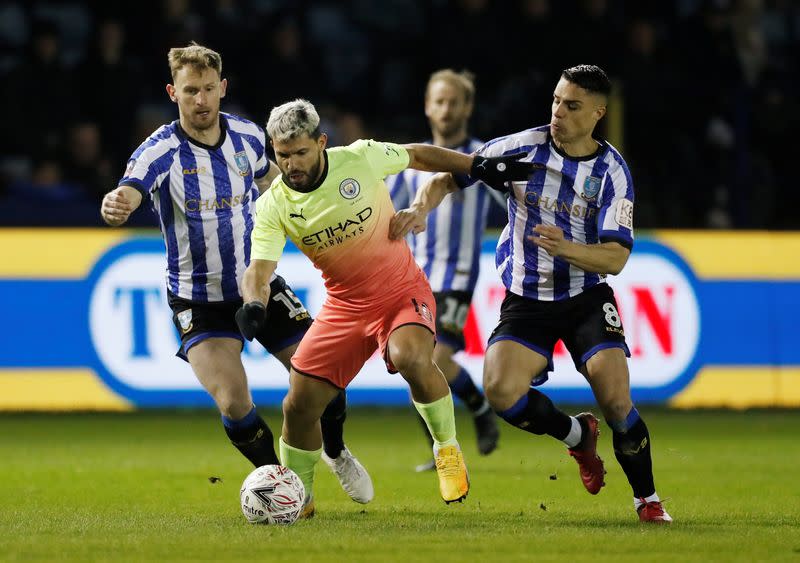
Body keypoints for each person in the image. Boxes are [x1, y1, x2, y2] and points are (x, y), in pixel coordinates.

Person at [390, 64, 672, 523]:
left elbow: (616, 259)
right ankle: (577, 437)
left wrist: (568, 248)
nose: (559, 112)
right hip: (526, 299)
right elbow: (448, 176)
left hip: (585, 297)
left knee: (618, 402)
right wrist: (421, 208)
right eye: (557, 100)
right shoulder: (521, 149)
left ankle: (648, 500)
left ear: (598, 113)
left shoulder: (612, 173)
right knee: (501, 393)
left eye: (573, 105)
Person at [99, 43, 373, 506]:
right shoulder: (159, 150)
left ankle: (336, 450)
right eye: (191, 91)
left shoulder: (248, 137)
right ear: (173, 93)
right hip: (196, 301)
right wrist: (119, 201)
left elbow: (275, 184)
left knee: (325, 376)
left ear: (222, 87)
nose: (201, 100)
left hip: (258, 287)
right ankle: (287, 488)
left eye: (208, 88)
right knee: (232, 400)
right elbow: (130, 187)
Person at [239, 99, 535, 516]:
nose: (291, 164)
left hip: (400, 291)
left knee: (411, 356)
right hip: (344, 306)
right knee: (298, 404)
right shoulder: (273, 204)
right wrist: (254, 302)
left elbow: (417, 154)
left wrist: (475, 165)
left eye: (301, 152)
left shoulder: (360, 158)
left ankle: (447, 451)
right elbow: (259, 268)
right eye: (282, 155)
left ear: (321, 143)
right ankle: (299, 496)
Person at [388, 69, 499, 472]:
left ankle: (479, 405)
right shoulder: (407, 164)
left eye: (454, 101)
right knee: (412, 362)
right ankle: (442, 450)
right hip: (416, 280)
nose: (446, 109)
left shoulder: (482, 159)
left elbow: (512, 202)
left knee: (433, 356)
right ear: (427, 106)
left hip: (458, 278)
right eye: (439, 101)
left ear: (467, 107)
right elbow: (387, 213)